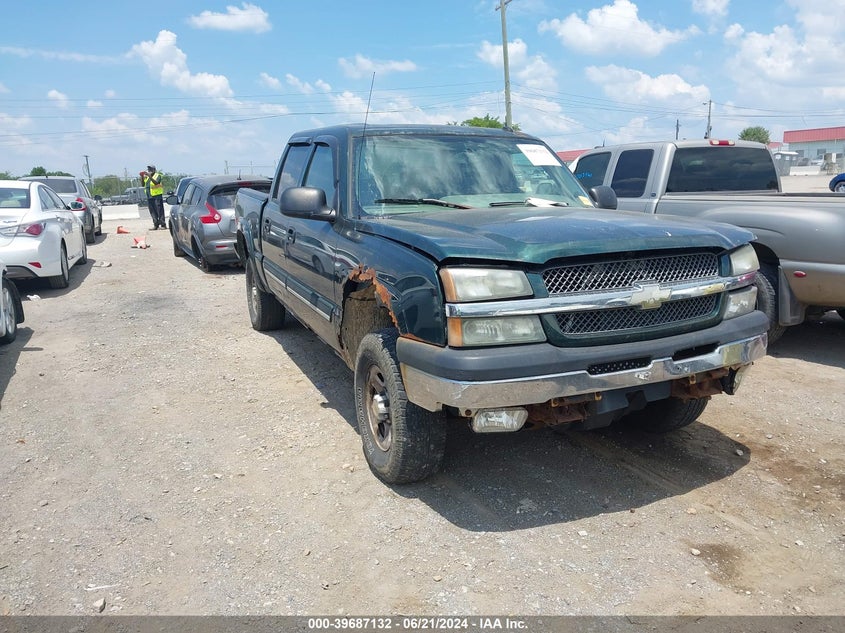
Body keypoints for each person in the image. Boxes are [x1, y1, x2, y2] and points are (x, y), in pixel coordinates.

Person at [140, 164, 166, 230]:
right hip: (149, 196)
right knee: (152, 211)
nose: (149, 171)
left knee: (159, 210)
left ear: (154, 170)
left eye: (150, 169)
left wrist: (150, 177)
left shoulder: (158, 175)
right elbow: (143, 185)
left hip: (157, 196)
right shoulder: (147, 178)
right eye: (148, 169)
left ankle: (163, 224)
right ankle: (155, 224)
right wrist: (142, 177)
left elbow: (156, 183)